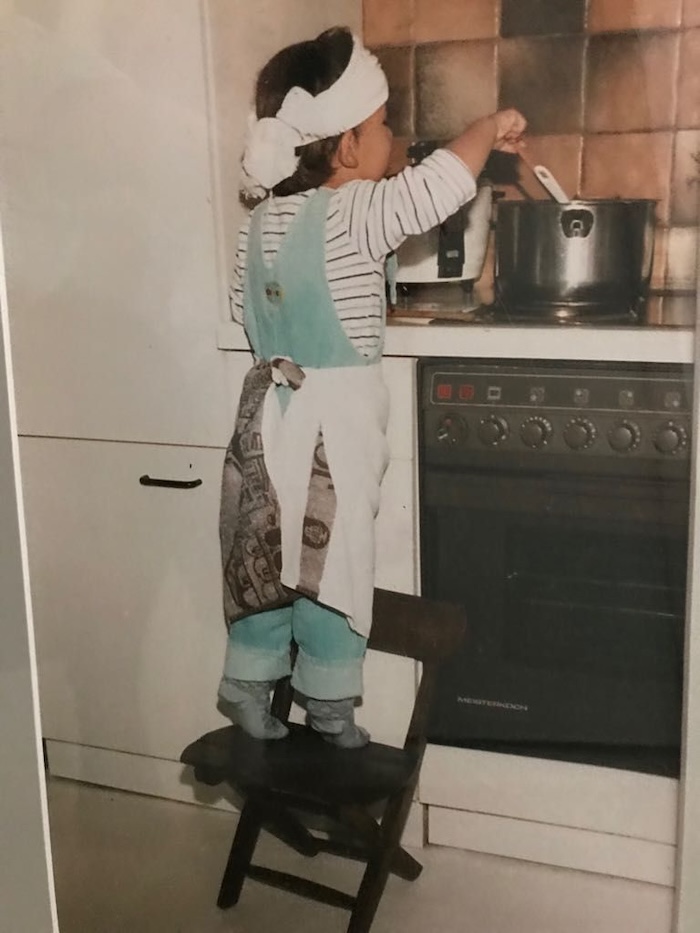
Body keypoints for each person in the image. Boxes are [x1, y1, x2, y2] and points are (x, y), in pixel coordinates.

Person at [218, 26, 526, 748]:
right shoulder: (357, 213)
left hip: (263, 422)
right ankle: (329, 705)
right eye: (384, 124)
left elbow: (245, 308)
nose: (393, 138)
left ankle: (246, 681)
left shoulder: (258, 223)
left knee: (264, 561)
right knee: (333, 565)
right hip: (335, 431)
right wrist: (487, 127)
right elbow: (438, 186)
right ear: (348, 147)